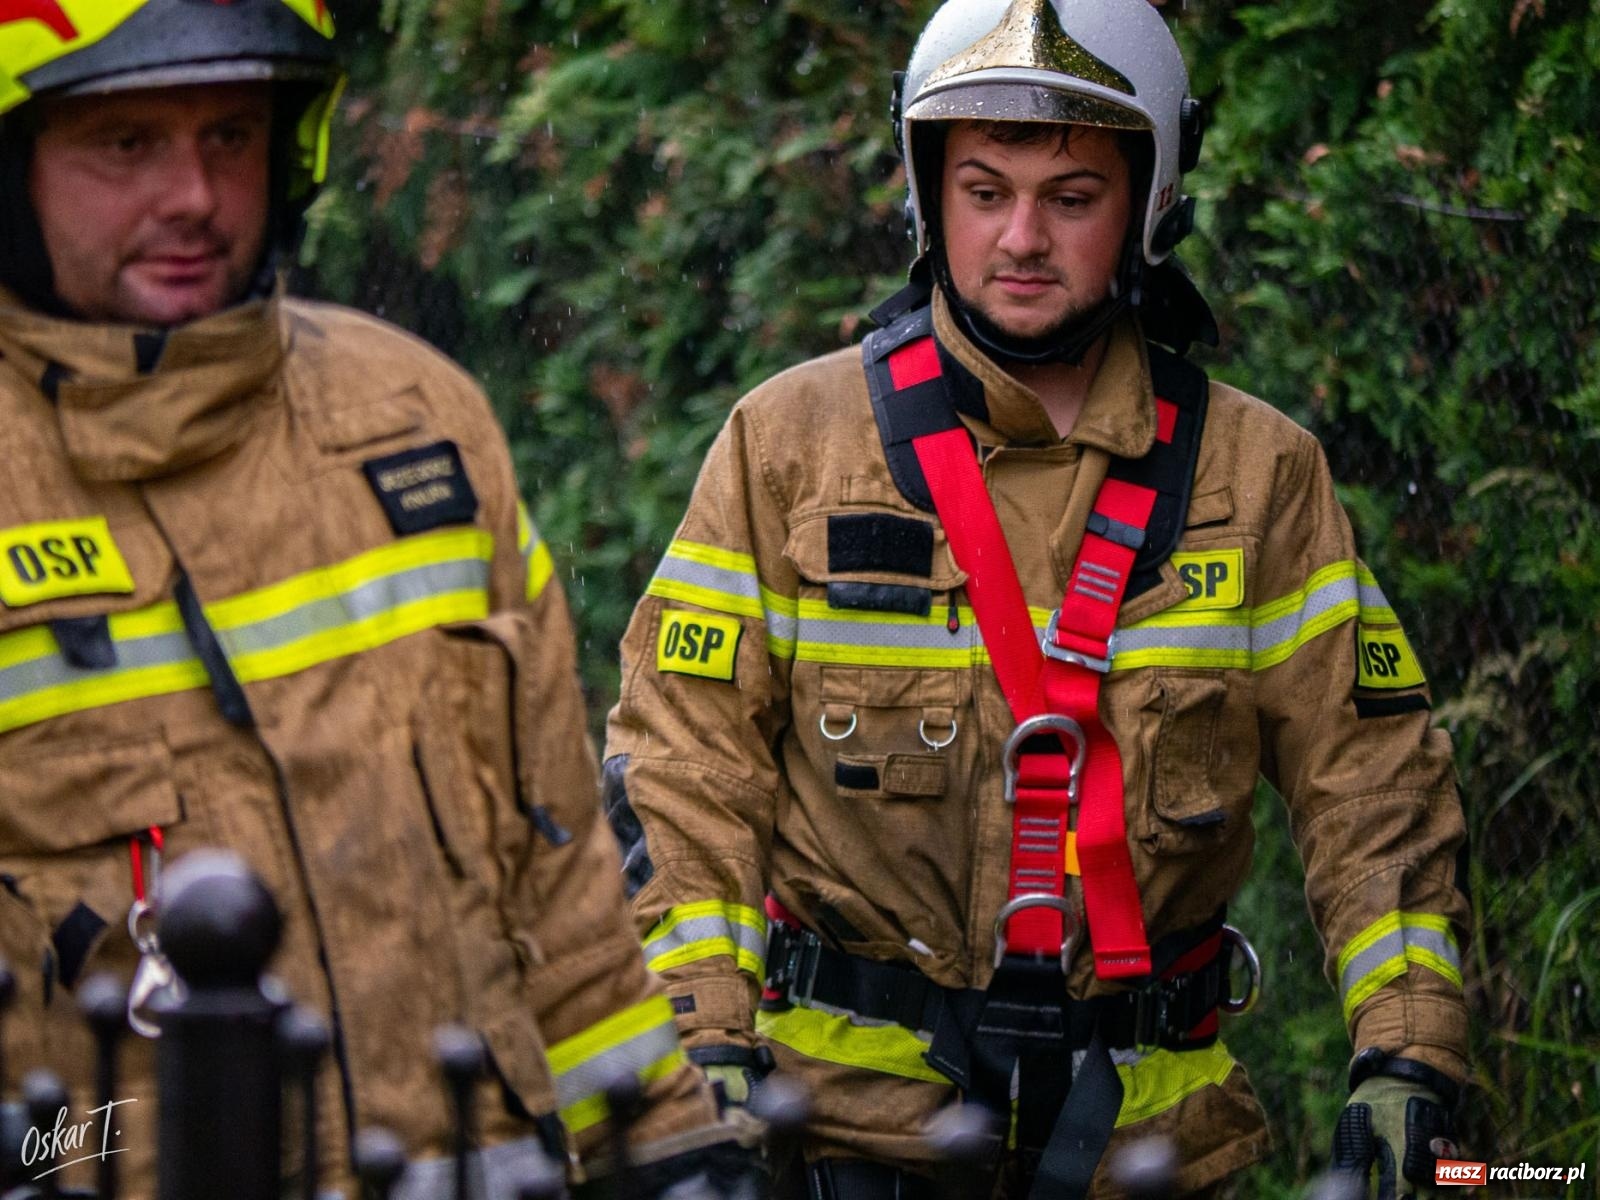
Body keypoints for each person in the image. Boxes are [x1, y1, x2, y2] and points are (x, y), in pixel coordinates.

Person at [603, 0, 1471, 1196]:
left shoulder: (1259, 479)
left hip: (1147, 1156)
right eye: (982, 190)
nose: (1020, 237)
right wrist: (702, 1044)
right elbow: (683, 768)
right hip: (842, 1144)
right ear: (926, 197)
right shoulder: (788, 449)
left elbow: (1374, 790)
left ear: (1149, 205)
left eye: (1069, 197)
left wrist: (1409, 1056)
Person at [0, 2, 741, 1196]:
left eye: (231, 137)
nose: (194, 193)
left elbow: (561, 885)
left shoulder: (420, 424)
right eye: (126, 144)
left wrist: (666, 1150)